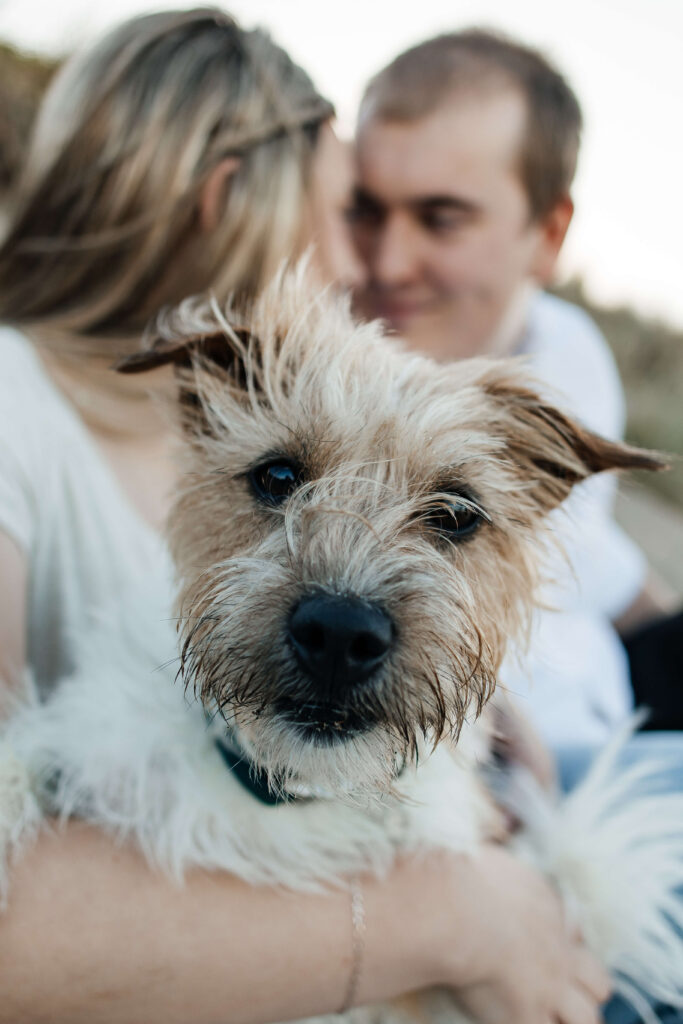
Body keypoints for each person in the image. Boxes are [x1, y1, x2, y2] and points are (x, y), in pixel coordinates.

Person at [0, 10, 609, 1024]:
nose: (367, 265)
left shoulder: (199, 414)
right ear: (226, 203)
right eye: (348, 212)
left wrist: (493, 704)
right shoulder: (31, 404)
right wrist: (454, 915)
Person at [350, 30, 683, 1024]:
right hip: (500, 785)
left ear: (548, 232)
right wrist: (492, 727)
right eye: (366, 208)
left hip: (613, 709)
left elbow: (598, 558)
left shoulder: (567, 355)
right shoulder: (326, 383)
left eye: (438, 218)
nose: (385, 259)